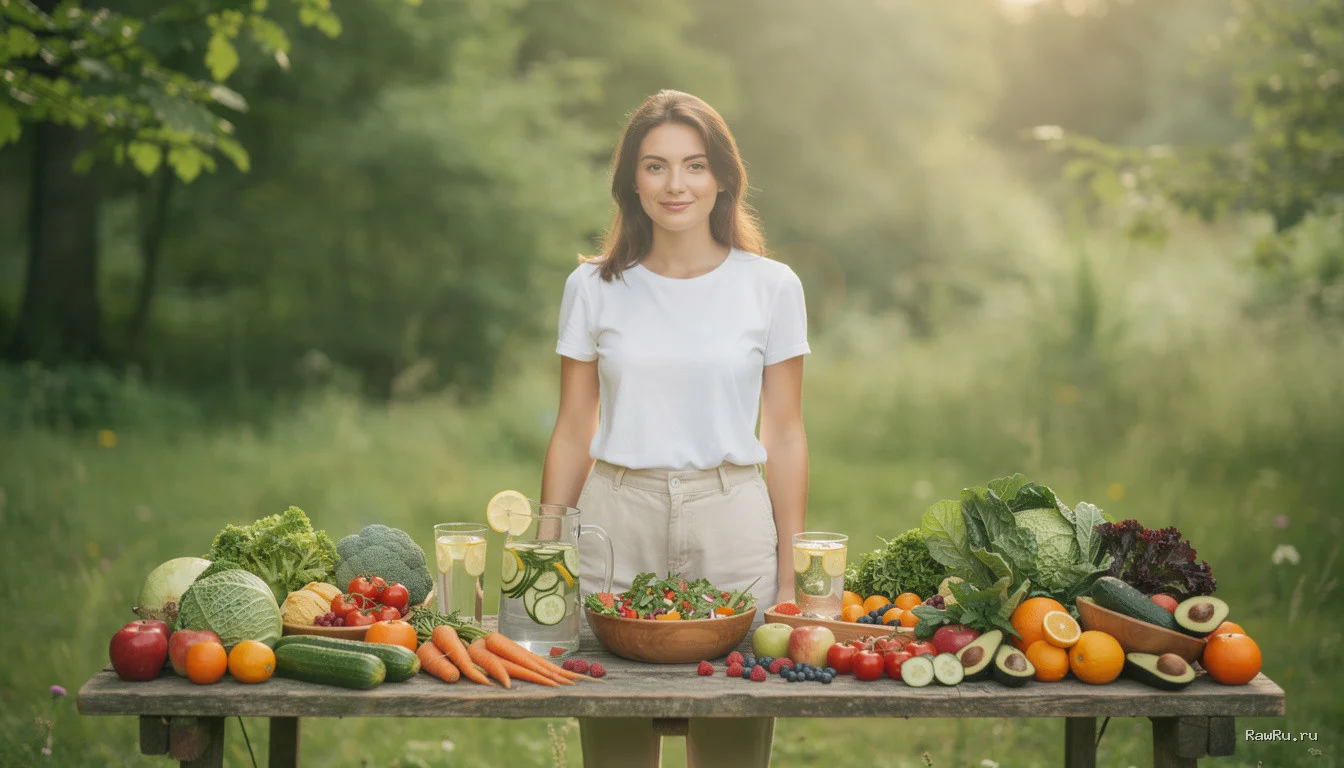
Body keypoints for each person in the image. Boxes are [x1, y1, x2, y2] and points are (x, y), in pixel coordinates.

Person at [539, 89, 810, 768]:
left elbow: (785, 433)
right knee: (615, 749)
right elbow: (575, 427)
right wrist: (544, 555)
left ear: (722, 176)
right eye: (655, 166)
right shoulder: (593, 287)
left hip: (731, 522)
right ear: (632, 179)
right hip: (615, 522)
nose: (675, 184)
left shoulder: (772, 286)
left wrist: (789, 575)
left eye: (694, 165)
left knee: (730, 749)